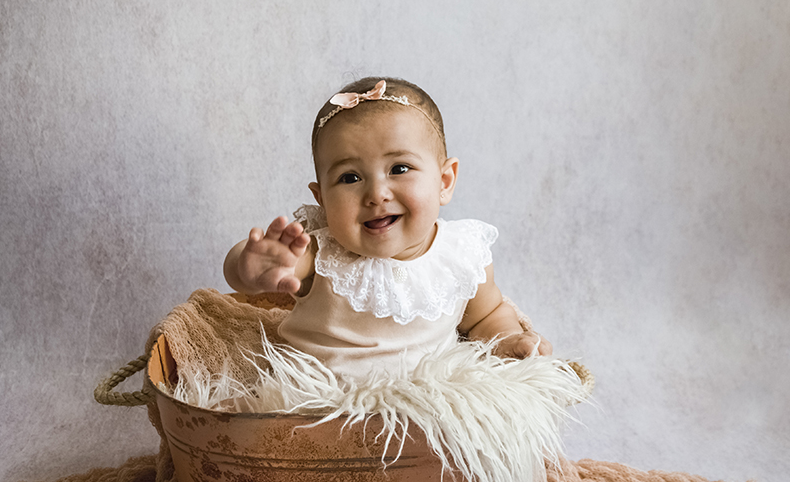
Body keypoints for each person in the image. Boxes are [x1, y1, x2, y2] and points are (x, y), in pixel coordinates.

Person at [224, 77, 550, 381]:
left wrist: (508, 340)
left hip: (425, 402)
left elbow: (486, 316)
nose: (377, 194)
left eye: (399, 169)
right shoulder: (321, 252)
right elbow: (269, 268)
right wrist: (252, 266)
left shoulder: (461, 255)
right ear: (321, 199)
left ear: (444, 181)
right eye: (350, 177)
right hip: (319, 404)